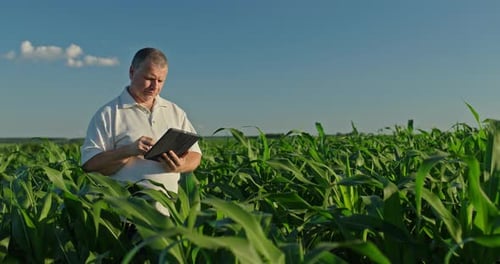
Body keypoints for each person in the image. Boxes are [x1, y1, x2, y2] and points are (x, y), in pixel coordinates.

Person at [80, 47, 202, 215]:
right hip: (127, 218)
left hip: (169, 215)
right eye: (149, 78)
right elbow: (90, 165)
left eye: (160, 81)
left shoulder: (175, 111)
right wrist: (129, 150)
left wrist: (180, 165)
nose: (154, 87)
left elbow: (195, 156)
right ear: (132, 72)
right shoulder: (109, 113)